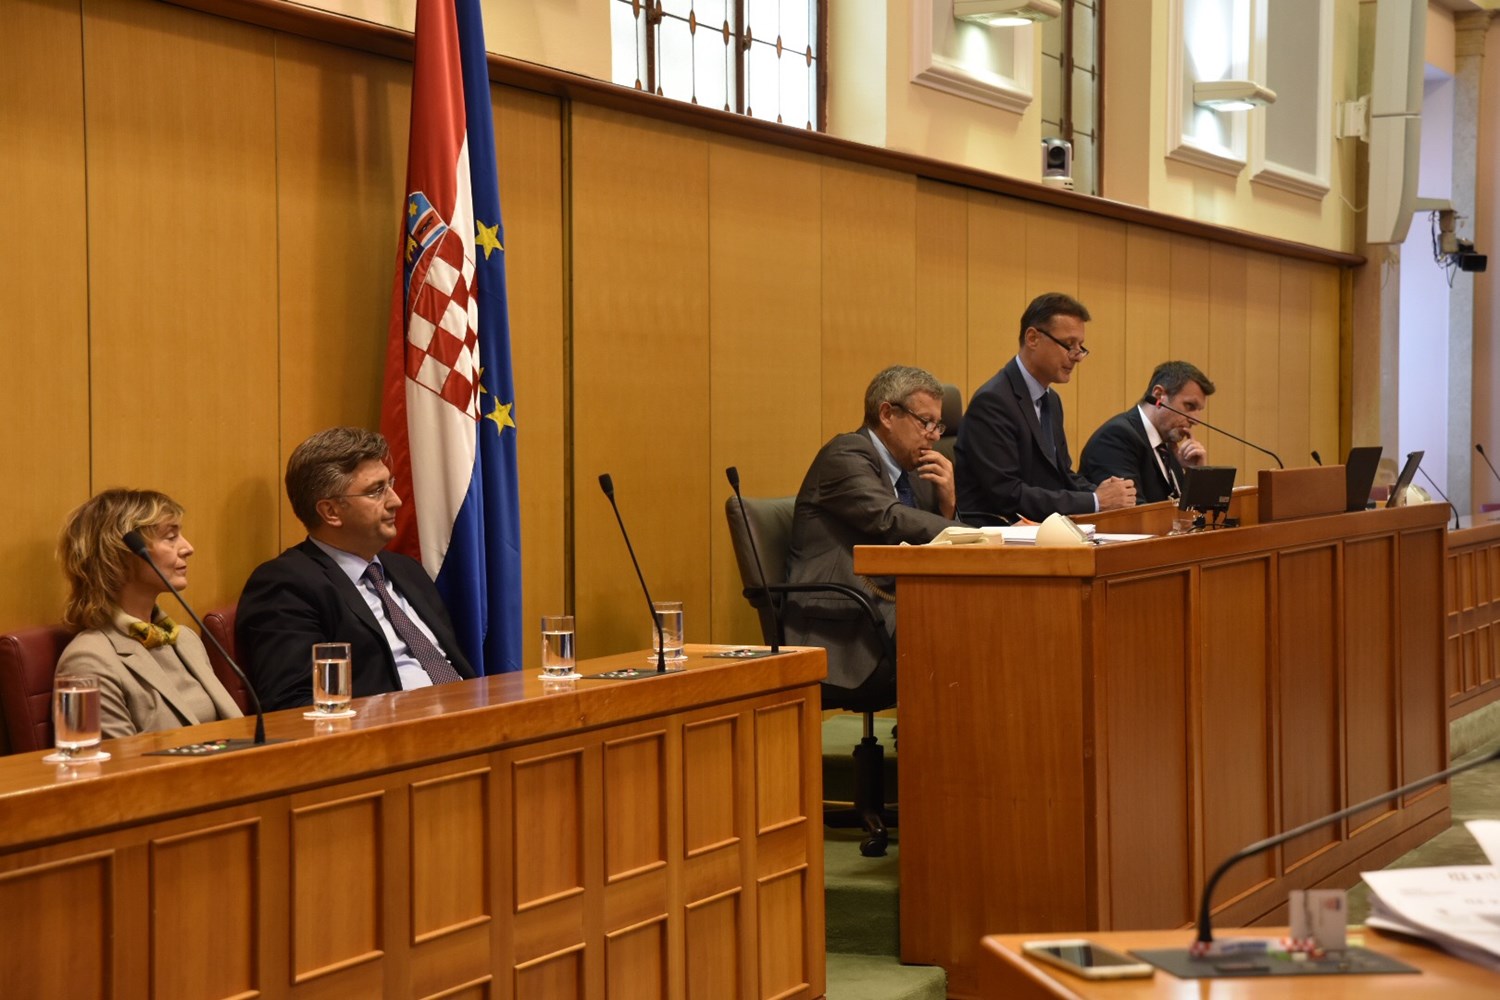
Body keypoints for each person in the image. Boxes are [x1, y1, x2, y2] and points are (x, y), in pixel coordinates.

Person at [236, 427, 476, 711]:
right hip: (395, 731)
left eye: (390, 484)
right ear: (331, 512)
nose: (396, 501)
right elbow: (294, 704)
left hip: (470, 715)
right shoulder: (286, 586)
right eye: (377, 491)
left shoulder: (406, 570)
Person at [784, 365, 963, 694]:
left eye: (938, 425)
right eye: (925, 422)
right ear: (887, 414)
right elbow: (890, 519)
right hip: (845, 621)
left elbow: (927, 538)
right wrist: (971, 534)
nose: (935, 436)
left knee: (977, 622)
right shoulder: (845, 454)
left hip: (895, 606)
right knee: (958, 637)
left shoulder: (916, 470)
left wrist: (948, 505)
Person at [54, 490, 243, 739]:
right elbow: (114, 762)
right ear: (122, 553)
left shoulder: (185, 640)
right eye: (171, 537)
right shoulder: (87, 662)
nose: (188, 548)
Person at [954, 292, 1136, 522]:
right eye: (1068, 344)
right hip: (1001, 529)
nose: (1077, 356)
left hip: (1042, 526)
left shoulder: (1051, 400)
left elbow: (1062, 475)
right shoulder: (993, 402)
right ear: (1033, 338)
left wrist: (1106, 492)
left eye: (1080, 346)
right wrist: (1096, 501)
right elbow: (1008, 494)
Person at [1080, 361, 1216, 504]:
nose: (1195, 420)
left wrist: (1196, 474)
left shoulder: (1167, 445)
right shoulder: (1117, 437)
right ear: (1158, 395)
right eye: (1189, 405)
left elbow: (1192, 511)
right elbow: (1132, 510)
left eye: (1199, 410)